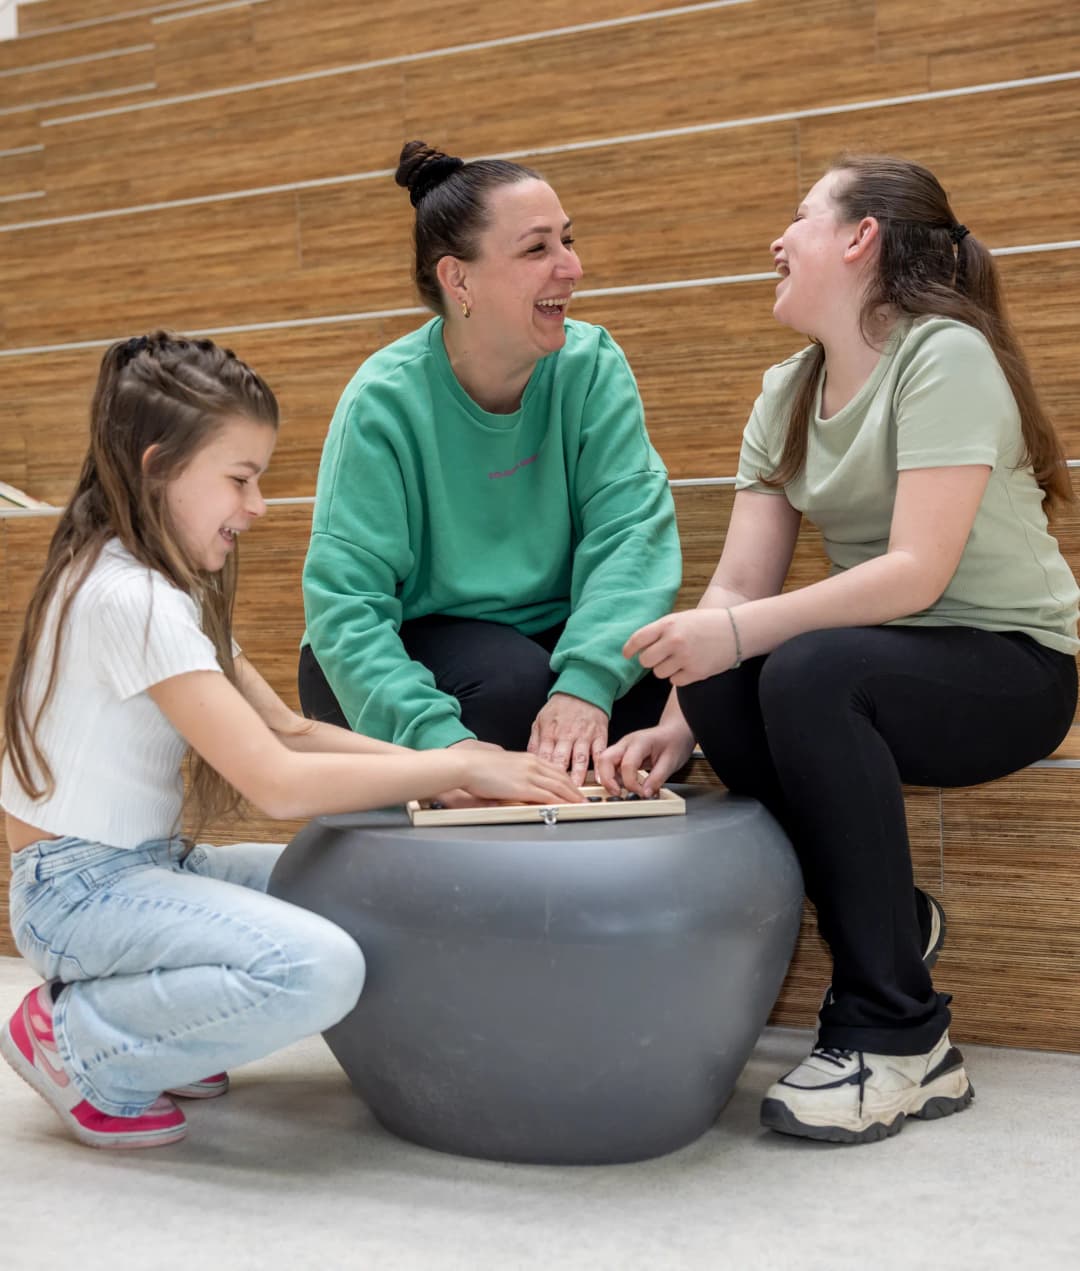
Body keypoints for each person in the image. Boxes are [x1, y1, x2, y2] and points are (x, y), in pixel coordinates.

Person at [597, 154, 1079, 1144]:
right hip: (883, 665)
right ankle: (889, 923)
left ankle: (898, 1036)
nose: (779, 239)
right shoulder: (786, 391)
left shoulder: (945, 354)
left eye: (801, 216)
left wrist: (732, 633)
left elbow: (916, 572)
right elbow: (738, 584)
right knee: (734, 675)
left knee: (810, 666)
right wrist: (681, 717)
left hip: (1010, 666)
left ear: (861, 239)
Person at [0, 333, 581, 1151]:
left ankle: (151, 1023)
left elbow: (291, 727)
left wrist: (455, 774)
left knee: (358, 887)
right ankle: (84, 1042)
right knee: (320, 966)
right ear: (159, 464)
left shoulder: (152, 580)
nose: (259, 503)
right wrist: (454, 761)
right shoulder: (132, 599)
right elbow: (275, 781)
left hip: (139, 868)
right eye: (240, 478)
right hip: (80, 894)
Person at [298, 141, 682, 788]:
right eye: (538, 250)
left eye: (568, 240)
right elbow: (346, 609)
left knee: (683, 684)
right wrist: (445, 750)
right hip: (400, 652)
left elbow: (631, 540)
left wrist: (588, 686)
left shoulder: (591, 367)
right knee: (513, 686)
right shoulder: (383, 402)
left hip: (547, 637)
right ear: (458, 279)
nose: (571, 267)